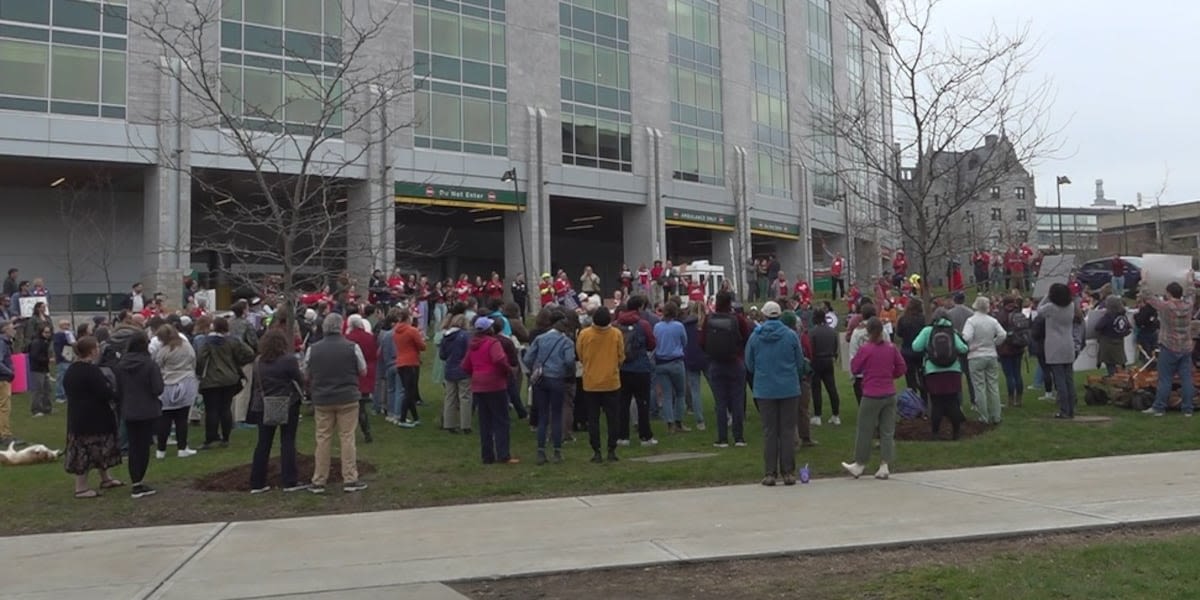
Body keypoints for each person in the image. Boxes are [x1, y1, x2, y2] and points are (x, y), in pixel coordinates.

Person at [304, 313, 368, 493]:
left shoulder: (313, 349)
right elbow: (363, 370)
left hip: (323, 398)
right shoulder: (352, 347)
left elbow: (306, 373)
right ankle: (349, 478)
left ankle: (319, 480)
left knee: (323, 439)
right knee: (347, 437)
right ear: (341, 327)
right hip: (347, 397)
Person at [744, 301, 802, 486]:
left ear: (765, 315)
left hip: (765, 388)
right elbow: (799, 362)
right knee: (787, 430)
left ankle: (770, 473)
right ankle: (788, 473)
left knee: (769, 431)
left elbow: (749, 363)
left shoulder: (755, 337)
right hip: (788, 388)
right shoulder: (791, 335)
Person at [842, 318, 906, 479]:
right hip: (889, 392)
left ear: (869, 332)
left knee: (865, 429)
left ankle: (860, 463)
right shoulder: (891, 348)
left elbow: (855, 367)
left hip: (871, 393)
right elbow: (902, 367)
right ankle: (885, 465)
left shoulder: (866, 349)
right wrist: (891, 375)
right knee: (887, 430)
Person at [62, 336, 124, 498]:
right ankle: (81, 488)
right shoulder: (91, 371)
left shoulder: (72, 370)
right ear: (92, 351)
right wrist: (115, 394)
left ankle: (106, 478)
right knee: (86, 451)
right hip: (93, 417)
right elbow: (104, 392)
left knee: (98, 449)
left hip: (78, 416)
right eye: (96, 347)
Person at [247, 329, 307, 494]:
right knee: (287, 441)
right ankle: (289, 480)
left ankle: (257, 482)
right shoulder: (289, 360)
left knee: (263, 443)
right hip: (287, 403)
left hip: (263, 405)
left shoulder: (258, 362)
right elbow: (299, 379)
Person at [521, 311, 576, 464]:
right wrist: (566, 372)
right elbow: (570, 361)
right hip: (557, 378)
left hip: (541, 378)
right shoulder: (567, 342)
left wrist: (536, 367)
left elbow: (527, 358)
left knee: (543, 415)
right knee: (556, 415)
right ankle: (557, 451)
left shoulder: (540, 339)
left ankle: (540, 451)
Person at [700, 291, 753, 447]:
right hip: (735, 361)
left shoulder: (709, 320)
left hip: (716, 363)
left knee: (720, 402)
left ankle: (722, 438)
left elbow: (702, 342)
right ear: (731, 302)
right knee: (737, 400)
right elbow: (746, 336)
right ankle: (739, 437)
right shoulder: (737, 319)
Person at [461, 316, 517, 464]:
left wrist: (476, 372)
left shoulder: (473, 344)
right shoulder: (493, 343)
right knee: (501, 420)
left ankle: (487, 456)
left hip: (478, 384)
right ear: (489, 329)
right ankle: (503, 454)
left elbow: (465, 365)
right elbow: (499, 359)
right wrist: (508, 370)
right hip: (495, 383)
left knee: (484, 421)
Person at [115, 332, 164, 498]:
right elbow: (158, 388)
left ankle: (135, 480)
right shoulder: (149, 365)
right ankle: (138, 482)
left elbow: (118, 388)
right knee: (143, 447)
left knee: (134, 445)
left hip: (128, 409)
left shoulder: (121, 364)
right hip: (147, 409)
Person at [1140, 273, 1196, 417]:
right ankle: (1188, 409)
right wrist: (1190, 279)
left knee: (1165, 379)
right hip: (1186, 348)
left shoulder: (1166, 307)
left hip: (1169, 346)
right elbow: (1192, 293)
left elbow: (1148, 297)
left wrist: (1145, 280)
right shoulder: (1189, 306)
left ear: (1169, 293)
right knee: (1187, 379)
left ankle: (1159, 407)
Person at [196, 317, 255, 449]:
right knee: (225, 408)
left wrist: (199, 373)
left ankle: (210, 439)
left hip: (211, 380)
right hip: (230, 379)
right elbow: (250, 352)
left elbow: (200, 359)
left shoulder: (207, 342)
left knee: (212, 410)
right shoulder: (233, 341)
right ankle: (226, 438)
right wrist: (238, 363)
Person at [576, 306, 625, 463]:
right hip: (611, 382)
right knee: (613, 418)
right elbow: (621, 356)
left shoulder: (584, 334)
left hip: (591, 382)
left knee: (593, 418)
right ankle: (612, 450)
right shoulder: (616, 334)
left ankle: (596, 450)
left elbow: (580, 355)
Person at [911, 309, 969, 440]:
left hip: (933, 372)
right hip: (952, 371)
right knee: (953, 402)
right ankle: (956, 432)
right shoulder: (952, 331)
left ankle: (935, 433)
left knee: (936, 403)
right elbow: (963, 348)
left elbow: (915, 346)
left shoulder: (927, 331)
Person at [615, 295, 658, 446]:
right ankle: (645, 436)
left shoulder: (616, 325)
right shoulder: (644, 324)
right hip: (640, 367)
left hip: (622, 368)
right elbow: (652, 344)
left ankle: (622, 436)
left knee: (623, 403)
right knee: (643, 403)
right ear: (639, 308)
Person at [152, 325, 198, 459]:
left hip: (167, 384)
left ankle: (161, 450)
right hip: (185, 382)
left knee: (165, 418)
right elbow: (193, 361)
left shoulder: (163, 351)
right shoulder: (186, 346)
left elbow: (158, 365)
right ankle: (182, 448)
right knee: (182, 418)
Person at [1040, 283, 1084, 419]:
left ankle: (1064, 410)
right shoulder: (1070, 306)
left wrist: (1046, 296)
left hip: (1054, 346)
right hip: (1068, 343)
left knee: (1059, 380)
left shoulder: (1051, 307)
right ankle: (1071, 409)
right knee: (1069, 379)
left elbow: (1039, 310)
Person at [963, 297, 1006, 424]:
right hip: (991, 354)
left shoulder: (971, 321)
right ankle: (996, 416)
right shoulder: (992, 321)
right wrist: (994, 343)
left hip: (975, 356)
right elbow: (1002, 334)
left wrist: (971, 346)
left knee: (979, 387)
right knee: (993, 386)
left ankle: (984, 416)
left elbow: (966, 337)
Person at [653, 302, 689, 433]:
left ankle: (670, 424)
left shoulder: (657, 327)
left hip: (661, 362)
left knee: (667, 395)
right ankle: (679, 421)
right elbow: (684, 341)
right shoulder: (679, 326)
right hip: (676, 361)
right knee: (680, 393)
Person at [345, 315, 378, 443]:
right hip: (367, 372)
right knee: (361, 405)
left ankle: (353, 432)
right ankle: (366, 431)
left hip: (353, 374)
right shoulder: (370, 337)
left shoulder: (348, 338)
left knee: (354, 407)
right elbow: (375, 353)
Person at [392, 308, 426, 427]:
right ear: (408, 318)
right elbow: (422, 346)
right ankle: (402, 418)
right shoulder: (412, 330)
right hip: (411, 362)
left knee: (408, 390)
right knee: (409, 392)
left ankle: (416, 418)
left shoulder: (396, 331)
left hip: (400, 362)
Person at [439, 314, 472, 433]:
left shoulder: (445, 337)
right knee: (465, 397)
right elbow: (469, 352)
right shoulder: (465, 336)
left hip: (449, 369)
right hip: (463, 370)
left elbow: (442, 355)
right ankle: (465, 425)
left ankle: (449, 424)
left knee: (450, 397)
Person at [809, 308, 841, 427]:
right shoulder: (832, 331)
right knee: (831, 388)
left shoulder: (813, 332)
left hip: (817, 360)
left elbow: (811, 348)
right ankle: (836, 415)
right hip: (828, 360)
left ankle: (817, 416)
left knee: (816, 389)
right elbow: (835, 347)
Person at [995, 295, 1027, 407]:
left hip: (1006, 348)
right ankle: (1019, 399)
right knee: (1017, 374)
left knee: (1009, 375)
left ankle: (1010, 399)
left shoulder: (1001, 315)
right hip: (1019, 347)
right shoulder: (1018, 312)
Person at [681, 301, 709, 432]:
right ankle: (726, 415)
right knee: (716, 389)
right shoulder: (708, 323)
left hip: (691, 359)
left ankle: (700, 421)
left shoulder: (685, 325)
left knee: (695, 391)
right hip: (707, 358)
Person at [1095, 295, 1132, 377]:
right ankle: (1122, 376)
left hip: (1108, 343)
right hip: (1119, 342)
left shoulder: (1108, 316)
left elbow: (1098, 326)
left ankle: (1114, 379)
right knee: (1119, 362)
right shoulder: (1123, 315)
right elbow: (1129, 327)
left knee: (1110, 363)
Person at [28, 323, 53, 417]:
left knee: (47, 389)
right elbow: (34, 356)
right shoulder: (37, 342)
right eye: (46, 332)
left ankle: (47, 408)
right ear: (41, 332)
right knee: (38, 390)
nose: (48, 334)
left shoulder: (45, 342)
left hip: (44, 369)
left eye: (49, 332)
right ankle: (36, 410)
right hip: (37, 369)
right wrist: (47, 360)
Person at [52, 319, 76, 402]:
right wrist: (61, 356)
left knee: (67, 377)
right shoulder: (59, 335)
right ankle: (60, 395)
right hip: (63, 358)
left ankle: (67, 394)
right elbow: (57, 347)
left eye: (68, 324)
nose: (67, 326)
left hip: (70, 356)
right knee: (61, 376)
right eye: (65, 324)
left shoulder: (70, 334)